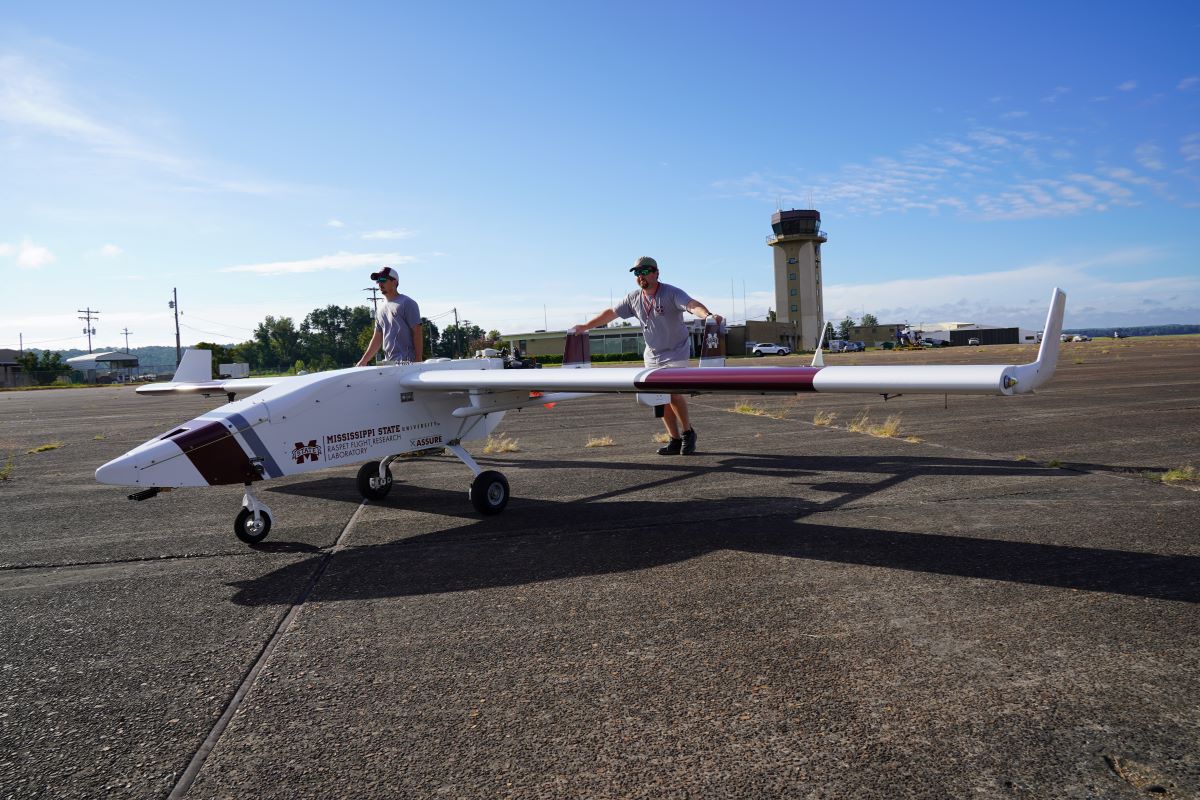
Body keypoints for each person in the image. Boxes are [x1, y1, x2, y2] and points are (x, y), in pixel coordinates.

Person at [569, 256, 722, 455]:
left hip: (676, 351)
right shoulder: (633, 298)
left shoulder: (671, 293)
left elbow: (691, 305)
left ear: (656, 272)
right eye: (637, 273)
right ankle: (674, 439)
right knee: (659, 397)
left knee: (674, 393)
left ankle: (688, 432)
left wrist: (707, 316)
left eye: (645, 271)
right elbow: (611, 313)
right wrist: (585, 326)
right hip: (652, 354)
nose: (641, 276)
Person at [357, 267, 423, 366]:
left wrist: (418, 360)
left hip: (407, 363)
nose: (380, 283)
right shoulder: (380, 309)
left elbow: (417, 331)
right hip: (388, 363)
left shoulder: (407, 303)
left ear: (394, 282)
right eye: (378, 281)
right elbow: (377, 338)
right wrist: (363, 361)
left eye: (383, 279)